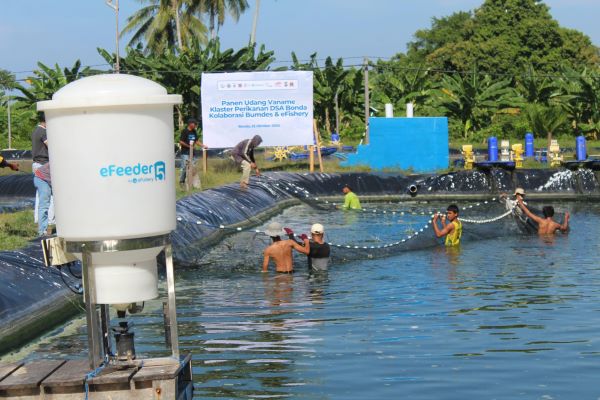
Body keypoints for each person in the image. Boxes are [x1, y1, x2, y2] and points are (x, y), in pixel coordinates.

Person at [178, 118, 207, 186]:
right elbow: (181, 141)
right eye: (194, 124)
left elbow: (196, 141)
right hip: (185, 153)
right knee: (184, 167)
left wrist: (203, 146)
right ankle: (182, 181)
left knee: (193, 167)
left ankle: (192, 182)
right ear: (190, 124)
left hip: (192, 153)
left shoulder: (194, 131)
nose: (195, 125)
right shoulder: (184, 131)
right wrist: (189, 146)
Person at [33, 163, 52, 237]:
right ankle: (42, 231)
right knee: (44, 205)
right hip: (42, 179)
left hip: (47, 178)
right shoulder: (61, 161)